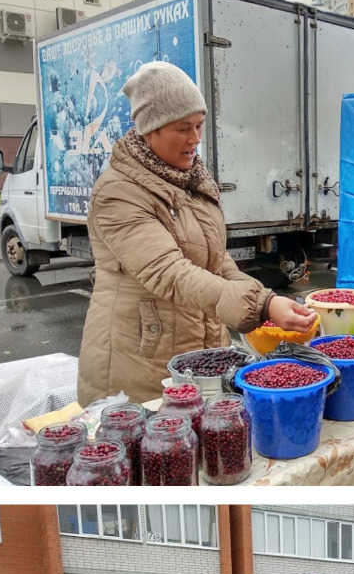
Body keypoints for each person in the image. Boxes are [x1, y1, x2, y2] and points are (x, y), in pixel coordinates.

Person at [77, 62, 315, 405]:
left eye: (199, 126)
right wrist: (263, 305)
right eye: (183, 128)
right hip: (141, 361)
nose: (195, 139)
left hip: (202, 350)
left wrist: (264, 299)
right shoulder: (118, 192)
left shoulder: (191, 180)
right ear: (149, 131)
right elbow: (169, 272)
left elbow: (218, 261)